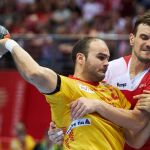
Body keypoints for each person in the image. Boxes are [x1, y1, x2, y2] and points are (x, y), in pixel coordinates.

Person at [0, 31, 149, 149]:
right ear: (80, 58)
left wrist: (97, 105)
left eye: (107, 58)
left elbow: (134, 139)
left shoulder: (114, 93)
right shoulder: (66, 86)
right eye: (101, 57)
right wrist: (9, 43)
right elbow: (34, 73)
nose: (106, 63)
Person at [48, 11, 150, 150]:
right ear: (132, 39)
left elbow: (136, 129)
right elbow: (75, 98)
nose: (148, 44)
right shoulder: (109, 69)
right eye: (144, 37)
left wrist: (98, 105)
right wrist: (59, 128)